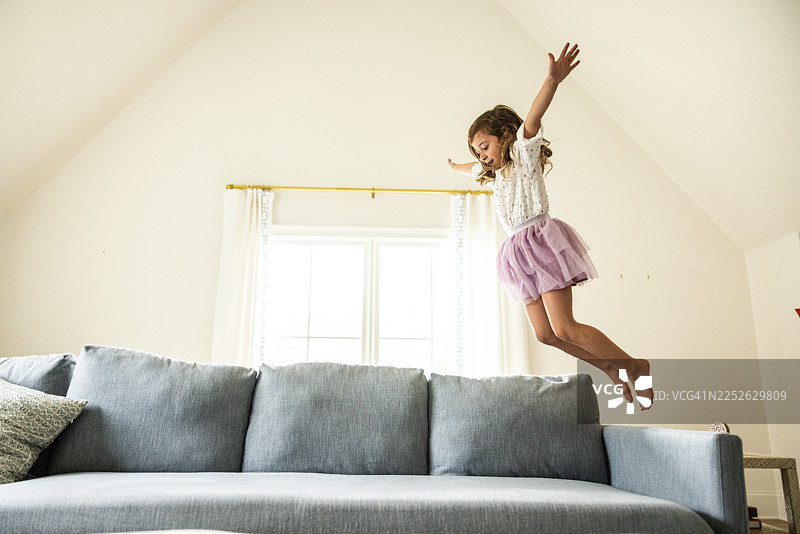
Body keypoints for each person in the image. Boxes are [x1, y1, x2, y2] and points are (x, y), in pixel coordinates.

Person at [447, 43, 652, 410]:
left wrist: (552, 81)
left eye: (484, 146)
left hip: (540, 240)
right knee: (545, 335)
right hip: (515, 252)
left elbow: (534, 117)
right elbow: (471, 168)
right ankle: (609, 367)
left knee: (565, 328)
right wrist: (457, 166)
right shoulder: (492, 174)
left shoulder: (522, 152)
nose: (481, 156)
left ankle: (633, 366)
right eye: (477, 151)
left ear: (505, 136)